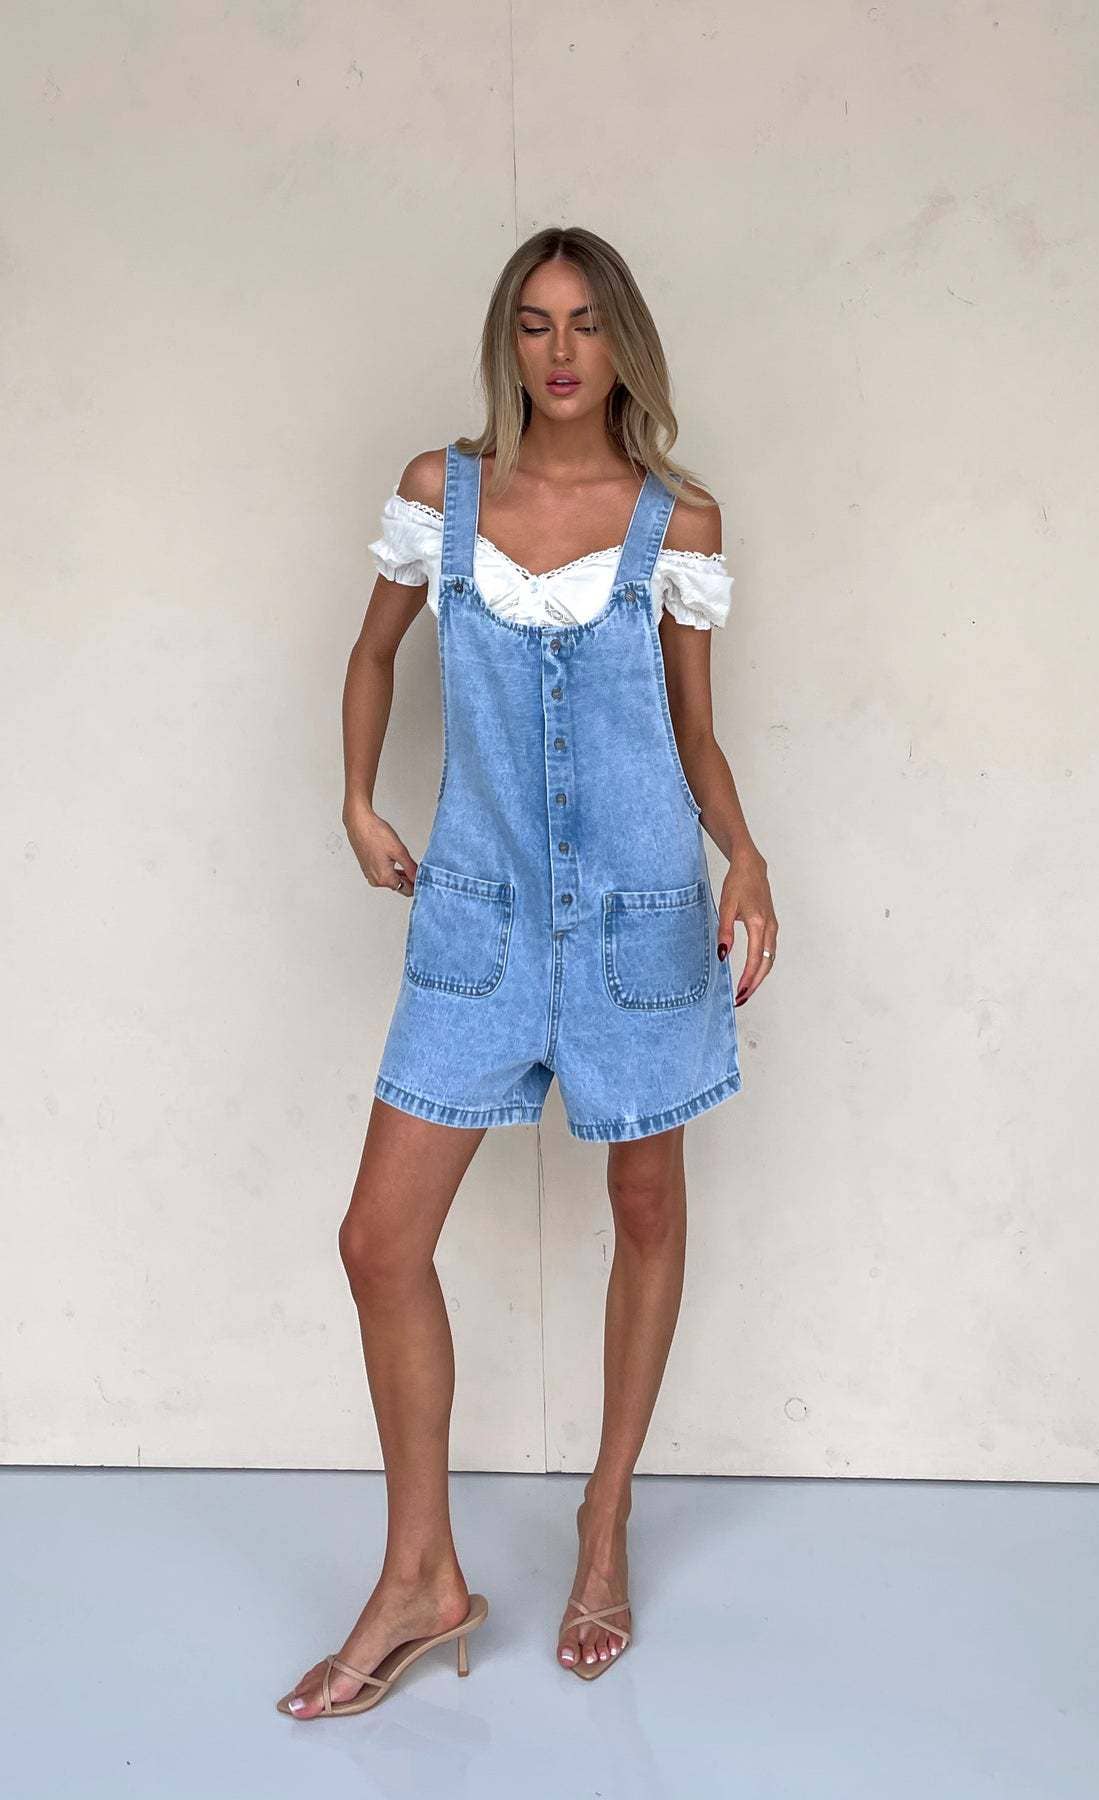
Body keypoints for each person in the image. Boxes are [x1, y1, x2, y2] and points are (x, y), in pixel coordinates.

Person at [278, 226, 777, 1717]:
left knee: (645, 1206)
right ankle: (419, 1576)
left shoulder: (676, 525)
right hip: (478, 921)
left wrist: (745, 856)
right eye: (537, 324)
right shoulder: (442, 496)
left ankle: (605, 1518)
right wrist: (357, 799)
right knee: (379, 1240)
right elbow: (373, 653)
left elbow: (693, 732)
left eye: (587, 324)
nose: (562, 351)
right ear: (511, 342)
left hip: (640, 918)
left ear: (625, 345)